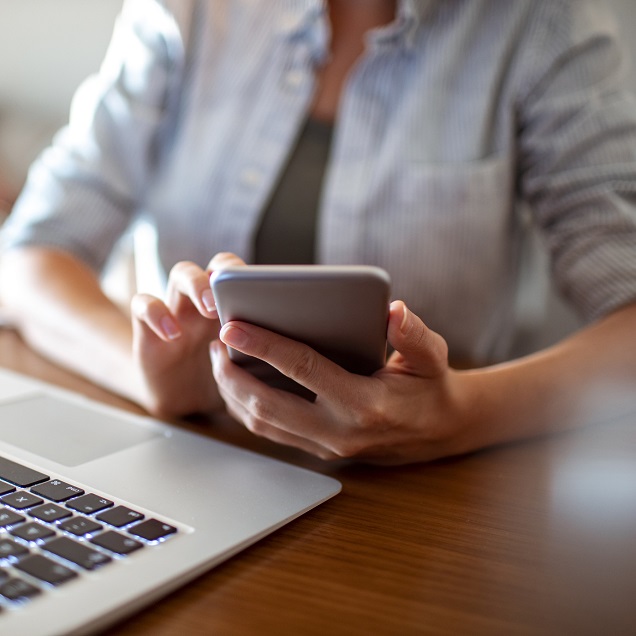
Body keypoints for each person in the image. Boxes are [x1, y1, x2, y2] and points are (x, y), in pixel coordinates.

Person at [1, 0, 635, 464]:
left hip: (427, 494)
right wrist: (161, 380)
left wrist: (461, 415)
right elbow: (27, 258)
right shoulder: (186, 11)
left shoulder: (547, 24)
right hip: (198, 457)